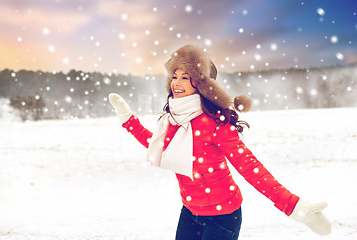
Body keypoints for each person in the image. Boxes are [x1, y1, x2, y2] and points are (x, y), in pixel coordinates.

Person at [108, 45, 331, 240]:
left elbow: (251, 168)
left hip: (222, 217)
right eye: (174, 77)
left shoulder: (215, 124)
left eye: (185, 78)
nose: (176, 83)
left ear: (200, 84)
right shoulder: (173, 121)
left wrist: (293, 205)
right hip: (190, 212)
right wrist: (129, 122)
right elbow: (159, 147)